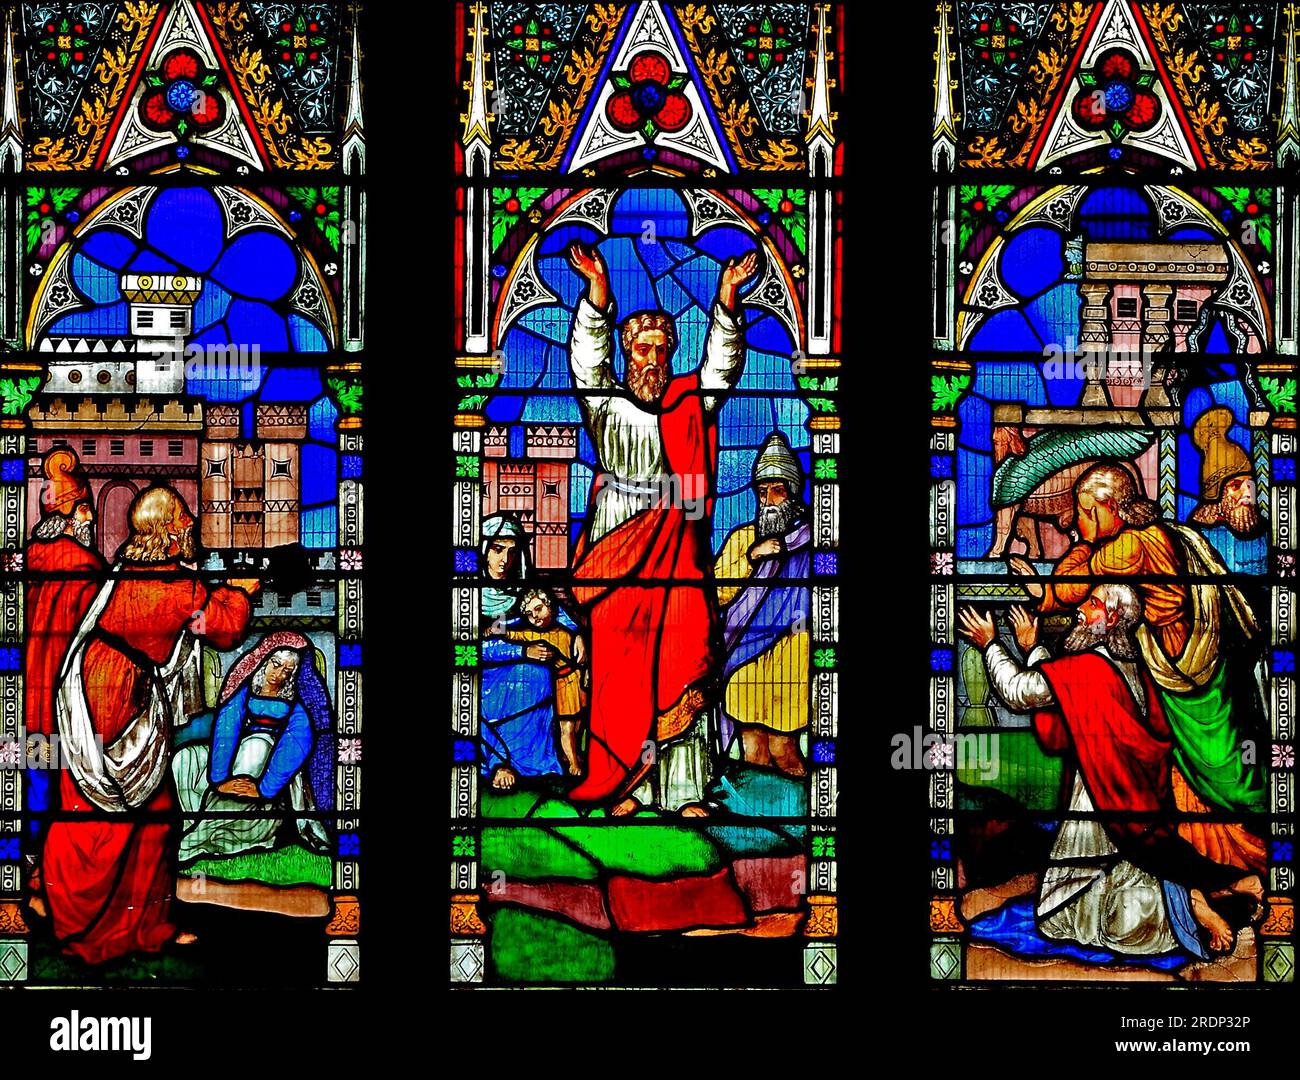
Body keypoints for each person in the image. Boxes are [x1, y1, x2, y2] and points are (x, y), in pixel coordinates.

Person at [958, 585, 1264, 958]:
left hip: (1101, 796)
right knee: (1083, 904)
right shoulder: (1129, 667)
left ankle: (1196, 907)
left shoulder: (1089, 670)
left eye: (1093, 604)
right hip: (1123, 792)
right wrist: (1032, 649)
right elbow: (1063, 695)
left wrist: (990, 644)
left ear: (1113, 619)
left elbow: (1021, 691)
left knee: (1105, 915)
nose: (1081, 610)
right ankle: (1223, 888)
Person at [564, 239, 757, 811]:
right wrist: (598, 296)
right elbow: (585, 362)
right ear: (627, 356)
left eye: (661, 352)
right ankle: (627, 784)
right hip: (620, 545)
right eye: (642, 351)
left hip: (678, 546)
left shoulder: (686, 405)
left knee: (682, 657)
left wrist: (725, 303)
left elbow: (719, 372)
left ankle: (682, 789)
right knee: (622, 674)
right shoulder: (606, 406)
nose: (652, 362)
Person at [1009, 462, 1267, 871]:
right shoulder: (1139, 539)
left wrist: (1077, 548)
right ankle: (1220, 880)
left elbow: (1065, 588)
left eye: (1082, 511)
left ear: (1104, 508)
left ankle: (1254, 866)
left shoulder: (1129, 547)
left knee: (1227, 779)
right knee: (1188, 784)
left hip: (1190, 681)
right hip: (1176, 672)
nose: (1076, 521)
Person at [42, 485, 257, 963]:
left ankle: (110, 919)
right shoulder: (181, 587)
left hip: (89, 683)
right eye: (182, 519)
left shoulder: (128, 569)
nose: (189, 527)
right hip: (120, 697)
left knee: (89, 802)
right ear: (167, 530)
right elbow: (222, 630)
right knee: (143, 815)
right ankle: (120, 927)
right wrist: (240, 595)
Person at [23, 449, 106, 919]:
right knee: (67, 794)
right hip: (70, 707)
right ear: (74, 515)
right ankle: (53, 885)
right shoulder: (88, 569)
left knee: (33, 789)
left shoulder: (27, 561)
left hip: (25, 701)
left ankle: (27, 874)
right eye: (86, 510)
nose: (90, 518)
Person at [174, 632, 333, 862]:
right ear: (264, 661)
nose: (278, 675)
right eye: (275, 665)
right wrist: (220, 779)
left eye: (287, 671)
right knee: (185, 758)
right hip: (234, 755)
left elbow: (298, 742)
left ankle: (205, 836)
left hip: (268, 760)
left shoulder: (295, 706)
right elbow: (227, 726)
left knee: (255, 748)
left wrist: (264, 789)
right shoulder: (246, 692)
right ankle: (194, 823)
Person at [714, 432, 810, 776]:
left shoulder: (812, 541)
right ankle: (762, 826)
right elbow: (717, 594)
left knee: (784, 748)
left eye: (777, 490)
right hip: (742, 651)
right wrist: (751, 557)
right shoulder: (742, 539)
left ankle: (801, 822)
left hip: (793, 649)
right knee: (752, 746)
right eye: (761, 492)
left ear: (793, 494)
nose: (768, 500)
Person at [478, 514, 580, 791]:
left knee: (536, 673)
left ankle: (532, 761)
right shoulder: (467, 593)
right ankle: (498, 761)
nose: (504, 560)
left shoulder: (522, 590)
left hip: (525, 668)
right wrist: (523, 650)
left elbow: (555, 613)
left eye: (512, 552)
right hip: (485, 675)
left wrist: (577, 633)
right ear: (482, 550)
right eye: (497, 549)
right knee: (525, 672)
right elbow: (471, 649)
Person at [485, 587, 585, 776]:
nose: (535, 617)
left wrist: (579, 634)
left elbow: (569, 625)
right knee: (567, 725)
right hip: (556, 685)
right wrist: (497, 630)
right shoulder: (532, 632)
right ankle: (572, 763)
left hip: (575, 680)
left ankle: (569, 755)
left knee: (578, 721)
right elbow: (513, 635)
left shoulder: (563, 628)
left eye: (539, 609)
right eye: (530, 614)